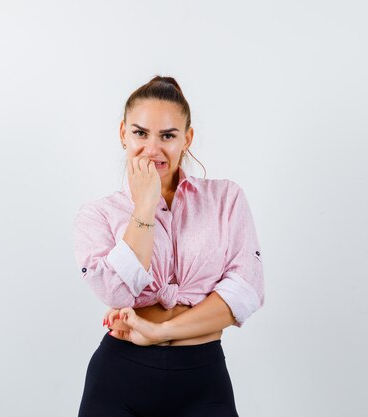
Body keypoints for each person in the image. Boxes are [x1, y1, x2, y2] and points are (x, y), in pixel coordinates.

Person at [73, 75, 265, 417]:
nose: (152, 148)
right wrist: (145, 204)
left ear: (187, 139)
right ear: (122, 134)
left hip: (203, 379)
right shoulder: (97, 215)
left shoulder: (226, 199)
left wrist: (158, 331)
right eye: (140, 133)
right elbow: (118, 294)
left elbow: (244, 292)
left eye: (168, 135)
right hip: (118, 377)